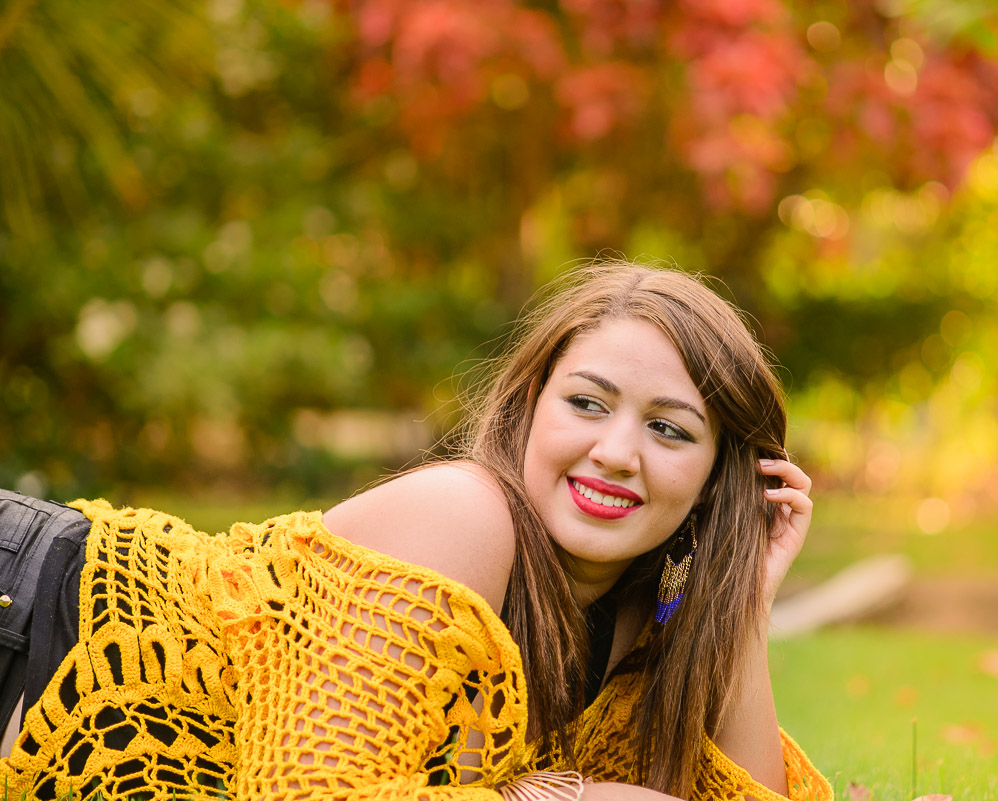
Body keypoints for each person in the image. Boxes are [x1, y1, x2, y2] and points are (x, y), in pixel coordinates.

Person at [0, 261, 832, 801]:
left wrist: (744, 607)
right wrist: (550, 797)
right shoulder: (465, 515)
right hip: (30, 621)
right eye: (587, 402)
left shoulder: (637, 637)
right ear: (531, 406)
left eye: (671, 429)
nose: (615, 452)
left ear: (719, 477)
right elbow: (312, 792)